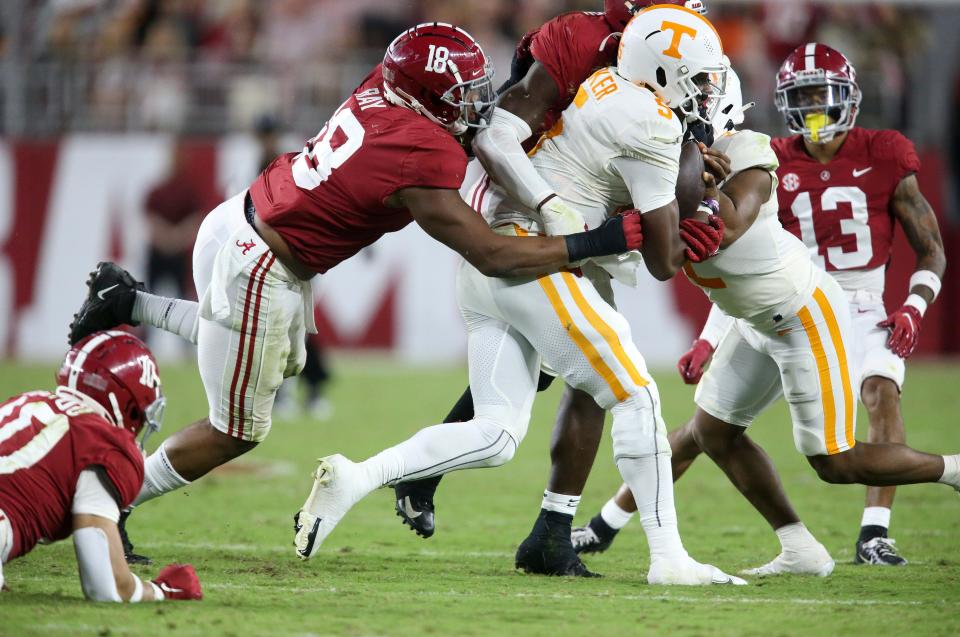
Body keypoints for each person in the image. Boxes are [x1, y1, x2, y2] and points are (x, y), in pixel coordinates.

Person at [67, 23, 643, 564]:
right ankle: (111, 500)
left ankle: (130, 303)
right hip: (262, 263)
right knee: (236, 429)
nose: (475, 104)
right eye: (461, 95)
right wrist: (597, 238)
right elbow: (492, 254)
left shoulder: (384, 87)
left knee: (264, 352)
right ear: (423, 98)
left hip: (241, 224)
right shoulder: (424, 152)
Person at [293, 6, 742, 587]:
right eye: (698, 78)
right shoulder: (651, 119)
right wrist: (695, 219)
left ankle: (354, 478)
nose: (704, 92)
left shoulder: (608, 83)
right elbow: (661, 262)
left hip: (493, 258)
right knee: (637, 394)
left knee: (498, 432)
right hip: (537, 255)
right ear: (662, 68)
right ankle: (669, 560)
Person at [572, 48, 958, 571]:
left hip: (804, 313)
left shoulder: (752, 152)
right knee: (711, 432)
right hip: (755, 316)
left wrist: (678, 187)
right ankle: (799, 546)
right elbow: (710, 270)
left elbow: (719, 231)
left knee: (834, 459)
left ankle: (950, 473)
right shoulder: (676, 161)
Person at [0, 331, 202, 601]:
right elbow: (107, 586)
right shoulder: (102, 442)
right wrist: (163, 590)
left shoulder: (28, 402)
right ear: (127, 405)